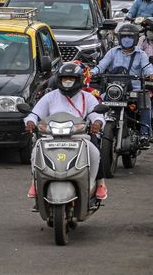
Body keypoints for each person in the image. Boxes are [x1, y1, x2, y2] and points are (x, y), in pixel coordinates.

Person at [24, 63, 108, 200]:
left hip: (79, 136)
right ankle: (35, 182)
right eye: (64, 78)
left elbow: (96, 115)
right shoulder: (50, 97)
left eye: (71, 78)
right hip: (51, 136)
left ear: (79, 79)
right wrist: (30, 122)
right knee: (36, 151)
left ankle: (99, 183)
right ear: (59, 79)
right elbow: (35, 114)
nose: (67, 81)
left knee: (94, 152)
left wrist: (97, 123)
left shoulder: (88, 97)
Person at [91, 23, 153, 149]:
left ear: (135, 38)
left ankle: (144, 134)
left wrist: (151, 74)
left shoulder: (141, 54)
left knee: (146, 100)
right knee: (96, 102)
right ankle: (95, 132)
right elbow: (102, 65)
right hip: (114, 89)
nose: (127, 39)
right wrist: (92, 73)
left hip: (135, 89)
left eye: (130, 37)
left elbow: (147, 68)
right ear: (119, 38)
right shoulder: (112, 52)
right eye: (124, 36)